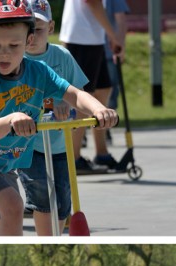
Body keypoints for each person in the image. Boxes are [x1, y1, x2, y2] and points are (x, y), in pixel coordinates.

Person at [0, 0, 118, 236]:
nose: (4, 53)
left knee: (7, 218)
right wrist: (11, 119)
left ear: (28, 41)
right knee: (13, 206)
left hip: (6, 163)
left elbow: (74, 94)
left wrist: (98, 109)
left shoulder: (39, 72)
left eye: (14, 45)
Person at [19, 0, 89, 235]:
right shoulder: (15, 61)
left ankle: (56, 236)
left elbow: (79, 95)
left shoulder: (63, 57)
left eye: (37, 29)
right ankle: (44, 238)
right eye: (25, 29)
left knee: (62, 199)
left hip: (60, 145)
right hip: (29, 144)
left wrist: (68, 111)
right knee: (40, 193)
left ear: (50, 27)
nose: (31, 36)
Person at [59, 0, 125, 172]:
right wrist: (113, 36)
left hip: (92, 38)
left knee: (103, 89)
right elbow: (93, 2)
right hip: (82, 38)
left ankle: (101, 153)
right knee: (83, 97)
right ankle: (73, 158)